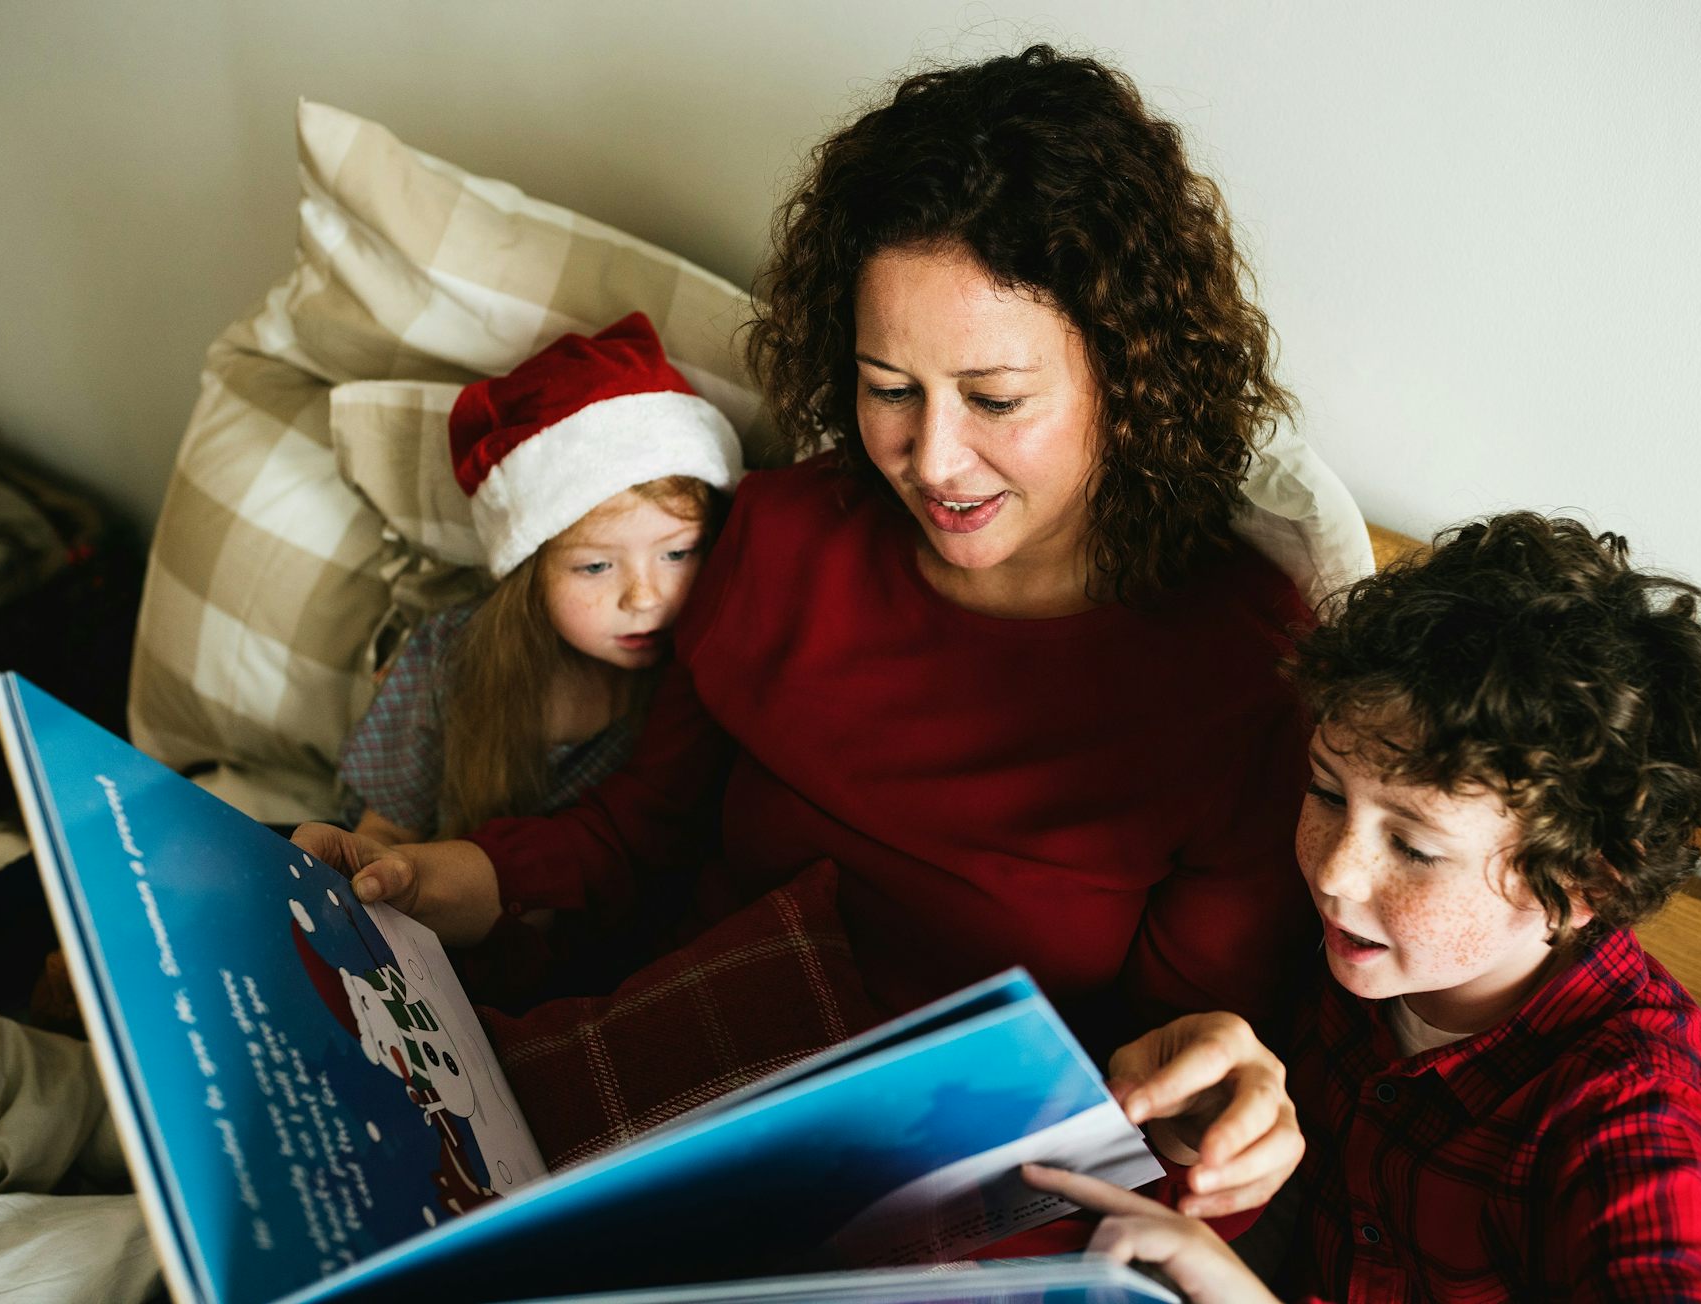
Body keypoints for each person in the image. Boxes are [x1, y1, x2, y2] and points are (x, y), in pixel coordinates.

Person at [294, 44, 1317, 1211]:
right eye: (889, 387)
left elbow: (1177, 1063)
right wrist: (435, 882)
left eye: (994, 399)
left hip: (938, 1184)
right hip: (651, 1088)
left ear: (1127, 378)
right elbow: (638, 838)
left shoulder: (1239, 673)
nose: (930, 462)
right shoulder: (786, 536)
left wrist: (1218, 1119)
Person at [1028, 512, 1701, 1300]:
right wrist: (1188, 1128)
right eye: (1327, 793)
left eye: (1415, 848)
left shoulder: (1634, 1106)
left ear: (1588, 884)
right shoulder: (1345, 953)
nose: (1338, 872)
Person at [338, 311, 740, 846]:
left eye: (679, 553)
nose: (645, 598)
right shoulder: (448, 660)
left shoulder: (701, 682)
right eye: (595, 566)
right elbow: (384, 833)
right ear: (529, 573)